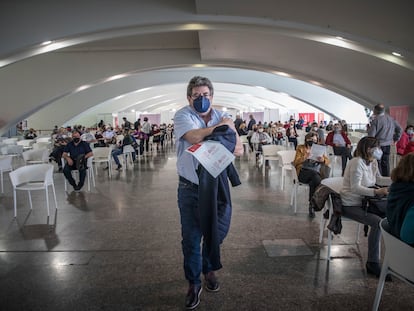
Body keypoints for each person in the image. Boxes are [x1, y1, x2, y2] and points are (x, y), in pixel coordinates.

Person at [174, 76, 243, 310]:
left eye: (205, 95)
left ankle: (208, 268)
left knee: (217, 232)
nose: (201, 99)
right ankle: (194, 283)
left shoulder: (223, 115)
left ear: (212, 96)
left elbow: (239, 148)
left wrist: (224, 128)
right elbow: (193, 137)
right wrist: (220, 128)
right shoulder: (183, 116)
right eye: (196, 96)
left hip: (217, 185)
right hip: (190, 187)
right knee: (192, 238)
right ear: (189, 97)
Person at [340, 136, 391, 278]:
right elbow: (355, 188)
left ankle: (390, 259)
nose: (380, 150)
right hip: (351, 204)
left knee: (388, 218)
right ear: (369, 149)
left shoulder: (372, 161)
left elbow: (379, 179)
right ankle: (372, 263)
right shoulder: (356, 162)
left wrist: (398, 179)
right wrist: (376, 191)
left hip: (366, 202)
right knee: (377, 222)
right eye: (378, 147)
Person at [293, 132, 330, 218]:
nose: (312, 141)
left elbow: (328, 161)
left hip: (315, 173)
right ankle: (315, 203)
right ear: (306, 139)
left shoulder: (319, 149)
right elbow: (295, 162)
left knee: (314, 180)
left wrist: (322, 160)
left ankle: (311, 204)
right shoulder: (300, 148)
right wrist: (305, 157)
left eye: (314, 140)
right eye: (311, 140)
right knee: (317, 178)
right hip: (303, 172)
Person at [386, 153, 414, 245]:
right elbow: (407, 236)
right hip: (407, 250)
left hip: (397, 244)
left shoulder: (397, 188)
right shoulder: (410, 196)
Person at [367, 103, 402, 176]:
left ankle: (379, 180)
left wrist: (369, 145)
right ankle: (386, 179)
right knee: (386, 163)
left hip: (378, 145)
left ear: (375, 111)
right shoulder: (391, 119)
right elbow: (400, 129)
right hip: (388, 144)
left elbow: (371, 135)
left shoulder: (376, 120)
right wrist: (396, 139)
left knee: (377, 163)